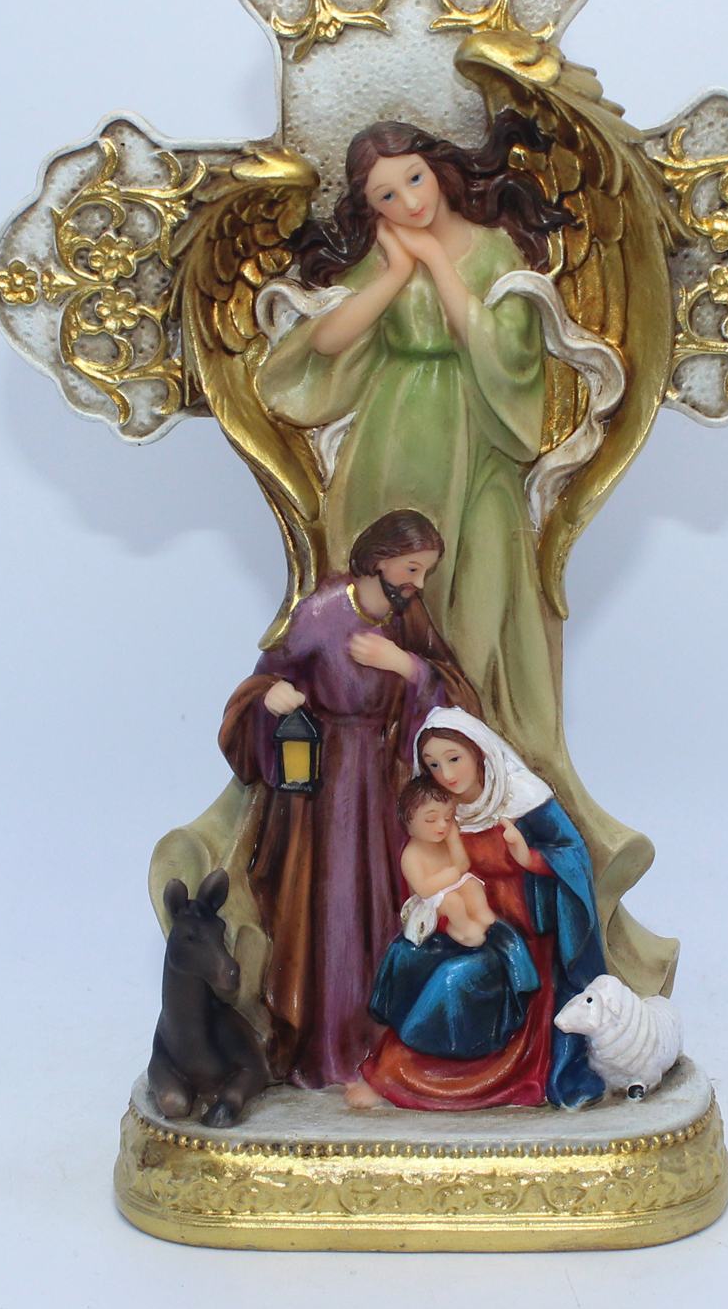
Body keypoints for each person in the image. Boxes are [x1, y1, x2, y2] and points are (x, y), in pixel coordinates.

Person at [259, 117, 679, 1008]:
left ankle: (502, 838)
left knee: (476, 633)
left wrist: (441, 268)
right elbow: (325, 345)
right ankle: (392, 864)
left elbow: (509, 361)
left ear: (440, 171)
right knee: (385, 617)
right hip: (391, 452)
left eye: (413, 180)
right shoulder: (386, 253)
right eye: (383, 195)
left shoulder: (491, 251)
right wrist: (393, 273)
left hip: (477, 453)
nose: (406, 202)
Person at [217, 511, 479, 1090]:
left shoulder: (408, 619)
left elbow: (459, 701)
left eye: (425, 572)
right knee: (334, 905)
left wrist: (407, 667)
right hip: (324, 788)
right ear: (378, 560)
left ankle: (383, 1042)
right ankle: (330, 1042)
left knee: (386, 901)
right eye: (411, 568)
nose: (418, 583)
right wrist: (274, 699)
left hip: (385, 782)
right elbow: (262, 683)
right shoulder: (319, 614)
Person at [351, 707, 608, 1111]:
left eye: (454, 758)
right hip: (456, 923)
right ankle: (393, 1072)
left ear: (479, 752)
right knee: (407, 959)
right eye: (434, 764)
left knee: (456, 980)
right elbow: (423, 864)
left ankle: (434, 1077)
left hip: (521, 932)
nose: (447, 773)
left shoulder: (524, 798)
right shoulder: (438, 807)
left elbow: (571, 853)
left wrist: (529, 858)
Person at [396, 775, 493, 950]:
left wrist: (454, 839)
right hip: (426, 906)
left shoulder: (444, 842)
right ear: (409, 823)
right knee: (452, 901)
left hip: (451, 888)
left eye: (447, 818)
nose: (442, 825)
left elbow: (463, 866)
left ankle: (481, 914)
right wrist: (453, 874)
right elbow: (425, 890)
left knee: (472, 885)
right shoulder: (411, 856)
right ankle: (462, 930)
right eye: (431, 820)